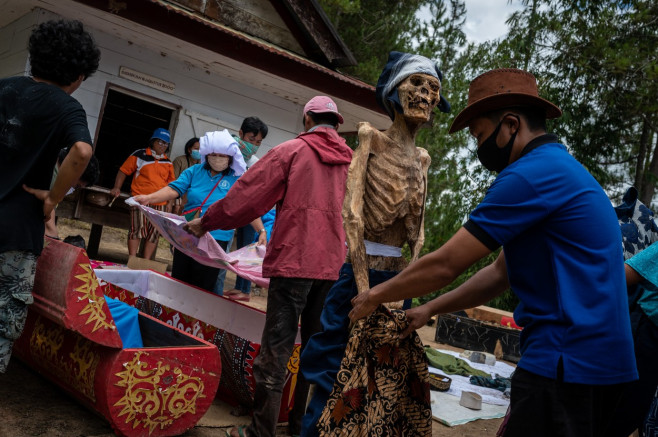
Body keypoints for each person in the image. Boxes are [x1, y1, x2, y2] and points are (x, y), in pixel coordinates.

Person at [350, 68, 638, 437]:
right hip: (599, 365)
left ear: (511, 125)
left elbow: (447, 263)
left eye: (480, 135)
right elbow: (499, 272)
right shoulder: (562, 170)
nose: (478, 147)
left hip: (566, 361)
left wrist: (374, 295)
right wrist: (428, 309)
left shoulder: (530, 175)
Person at [300, 51, 450, 436]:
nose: (426, 95)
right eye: (416, 84)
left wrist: (406, 287)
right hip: (359, 272)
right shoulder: (371, 139)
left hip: (400, 278)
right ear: (394, 93)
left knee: (385, 370)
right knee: (333, 359)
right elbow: (352, 213)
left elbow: (416, 233)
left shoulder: (423, 159)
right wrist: (366, 287)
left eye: (433, 88)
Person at [185, 96, 353, 437]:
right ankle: (299, 428)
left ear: (307, 119)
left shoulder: (291, 151)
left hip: (294, 263)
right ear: (336, 124)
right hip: (333, 266)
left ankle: (259, 433)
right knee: (314, 349)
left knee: (275, 354)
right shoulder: (352, 161)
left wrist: (206, 222)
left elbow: (247, 196)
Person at [0, 19, 100, 373]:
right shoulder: (66, 107)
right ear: (78, 75)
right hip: (16, 235)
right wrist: (52, 198)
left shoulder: (4, 88)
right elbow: (82, 153)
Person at [132, 129, 266, 293]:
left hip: (216, 240)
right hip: (188, 233)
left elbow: (248, 206)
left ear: (230, 157)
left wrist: (261, 230)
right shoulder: (194, 171)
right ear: (208, 154)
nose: (218, 158)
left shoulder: (237, 178)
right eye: (214, 154)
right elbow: (174, 189)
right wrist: (149, 198)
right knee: (180, 280)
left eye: (223, 155)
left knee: (204, 286)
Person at [110, 128, 175, 260]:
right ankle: (132, 259)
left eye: (166, 143)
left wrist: (170, 203)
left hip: (160, 203)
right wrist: (117, 187)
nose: (163, 145)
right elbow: (123, 171)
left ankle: (145, 262)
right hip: (139, 200)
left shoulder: (168, 162)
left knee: (154, 233)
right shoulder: (139, 155)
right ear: (153, 142)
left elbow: (172, 185)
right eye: (160, 142)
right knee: (137, 229)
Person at [223, 116, 269, 301]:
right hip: (235, 209)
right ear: (240, 134)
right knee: (239, 246)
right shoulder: (229, 153)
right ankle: (238, 286)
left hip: (251, 211)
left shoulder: (256, 162)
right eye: (251, 140)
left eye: (258, 142)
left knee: (248, 247)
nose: (254, 145)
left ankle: (246, 289)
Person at [45, 147, 100, 239]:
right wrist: (55, 240)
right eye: (77, 186)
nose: (73, 189)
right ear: (76, 171)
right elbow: (48, 222)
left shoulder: (53, 161)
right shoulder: (52, 180)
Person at [171, 137, 200, 215]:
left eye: (201, 149)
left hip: (193, 195)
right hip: (179, 192)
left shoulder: (202, 165)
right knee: (177, 208)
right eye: (196, 149)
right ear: (189, 150)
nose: (199, 151)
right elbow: (173, 180)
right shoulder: (179, 160)